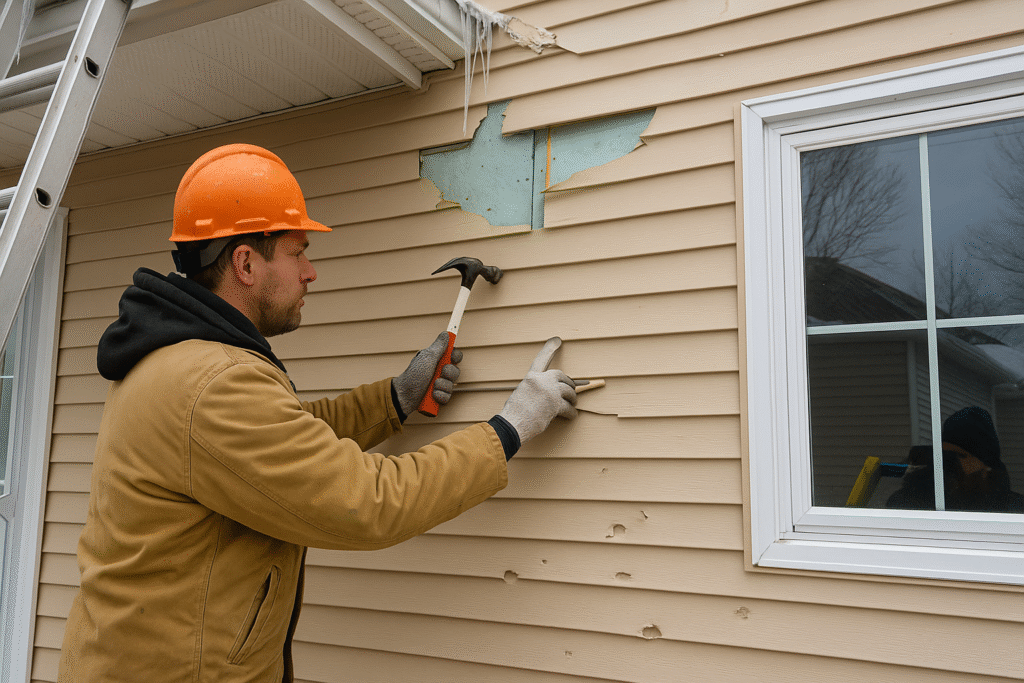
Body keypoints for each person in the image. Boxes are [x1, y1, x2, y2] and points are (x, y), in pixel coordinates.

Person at [57, 144, 582, 682]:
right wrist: (510, 427)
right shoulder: (212, 382)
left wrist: (395, 399)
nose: (311, 273)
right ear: (245, 264)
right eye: (298, 252)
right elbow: (368, 501)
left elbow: (281, 444)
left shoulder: (182, 361)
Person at [887, 406, 1024, 513]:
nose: (947, 464)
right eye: (944, 455)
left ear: (986, 464)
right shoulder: (915, 499)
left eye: (958, 456)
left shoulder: (1014, 511)